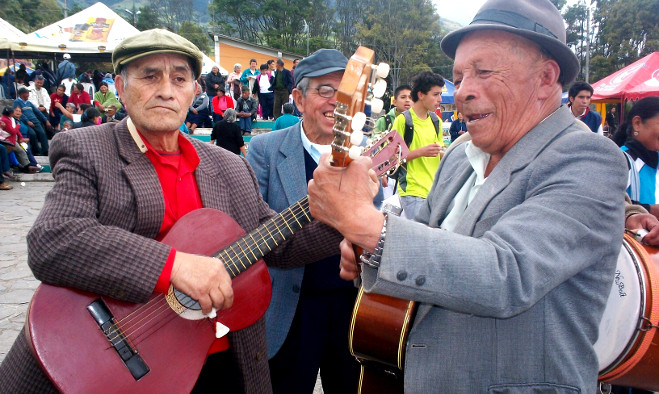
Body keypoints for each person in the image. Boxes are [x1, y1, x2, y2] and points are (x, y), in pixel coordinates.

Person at [306, 0, 628, 391]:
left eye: (484, 72)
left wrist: (368, 226)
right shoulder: (460, 152)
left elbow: (507, 272)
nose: (461, 93)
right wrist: (371, 251)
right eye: (458, 77)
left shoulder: (589, 157)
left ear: (546, 78)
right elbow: (424, 237)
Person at [0, 28, 340, 393]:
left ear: (194, 90)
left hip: (216, 362)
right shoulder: (87, 148)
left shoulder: (228, 166)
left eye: (179, 78)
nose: (166, 89)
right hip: (99, 368)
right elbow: (54, 239)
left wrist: (345, 216)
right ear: (120, 84)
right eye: (150, 76)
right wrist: (174, 267)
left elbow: (279, 242)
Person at [247, 48, 361, 394]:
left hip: (350, 304)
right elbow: (257, 229)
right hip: (289, 304)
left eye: (345, 94)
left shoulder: (364, 156)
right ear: (298, 98)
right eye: (325, 91)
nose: (336, 103)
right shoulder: (265, 149)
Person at [392, 71, 445, 219]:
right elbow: (392, 158)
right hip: (412, 191)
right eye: (435, 94)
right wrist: (422, 151)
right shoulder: (403, 120)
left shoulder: (436, 121)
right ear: (421, 95)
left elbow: (438, 153)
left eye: (440, 94)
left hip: (433, 193)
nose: (439, 99)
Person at [620, 96, 659, 219]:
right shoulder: (621, 160)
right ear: (637, 124)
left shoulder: (655, 158)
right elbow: (606, 204)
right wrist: (649, 209)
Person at [14, 87, 50, 155]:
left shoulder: (29, 103)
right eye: (26, 93)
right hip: (25, 122)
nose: (28, 94)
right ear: (22, 94)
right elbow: (19, 114)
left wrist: (46, 120)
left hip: (35, 121)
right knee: (32, 134)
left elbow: (37, 112)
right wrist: (27, 121)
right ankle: (36, 151)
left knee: (42, 133)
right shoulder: (17, 102)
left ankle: (46, 150)